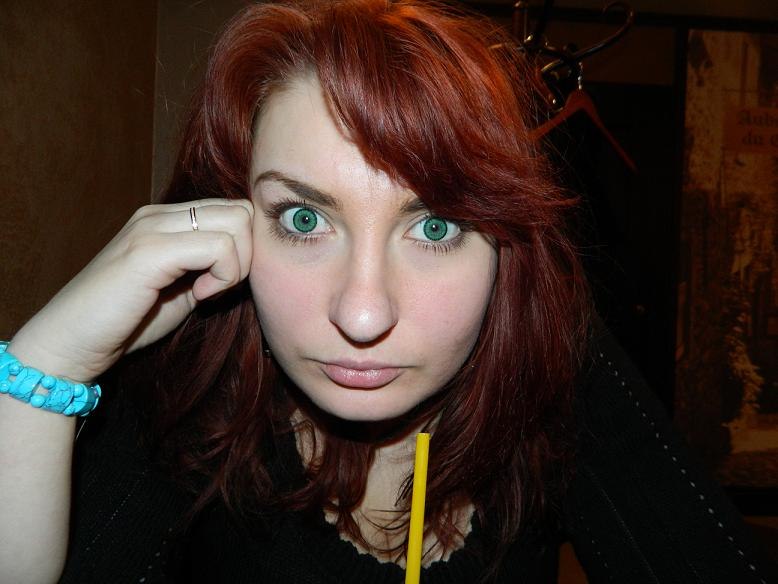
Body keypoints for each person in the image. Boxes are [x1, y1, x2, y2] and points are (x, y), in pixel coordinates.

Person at [0, 1, 774, 583]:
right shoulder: (185, 391)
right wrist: (47, 366)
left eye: (435, 227)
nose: (363, 314)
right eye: (304, 219)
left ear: (506, 248)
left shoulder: (558, 371)